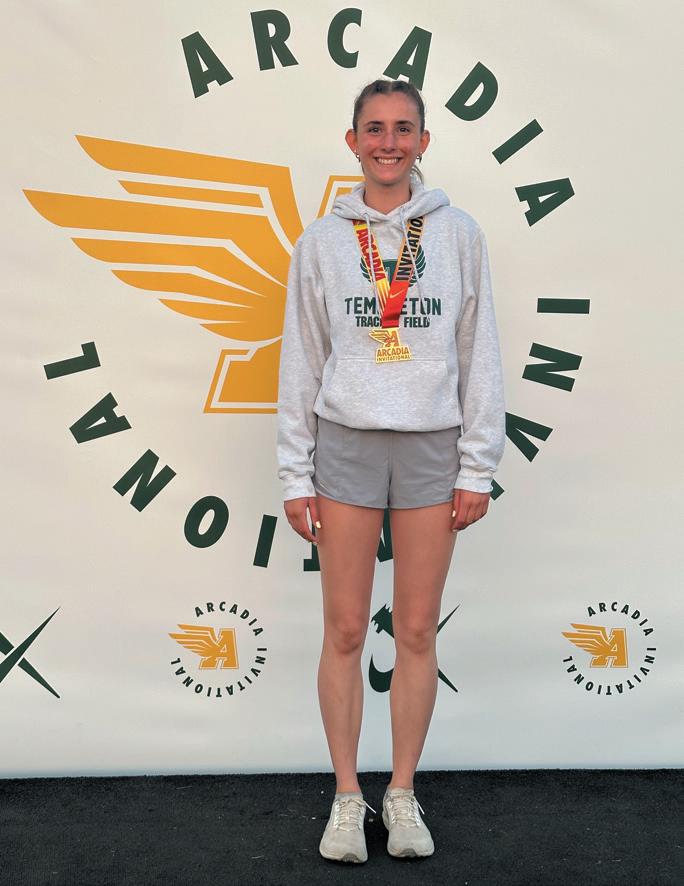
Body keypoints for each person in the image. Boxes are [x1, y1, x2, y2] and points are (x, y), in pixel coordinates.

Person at [276, 78, 506, 863]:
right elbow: (301, 362)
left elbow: (479, 352)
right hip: (345, 444)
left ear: (423, 142)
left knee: (414, 629)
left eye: (403, 128)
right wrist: (294, 473)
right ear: (353, 141)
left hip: (432, 447)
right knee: (345, 629)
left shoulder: (459, 234)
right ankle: (347, 796)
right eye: (374, 129)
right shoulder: (321, 242)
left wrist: (477, 464)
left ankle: (401, 794)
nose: (388, 142)